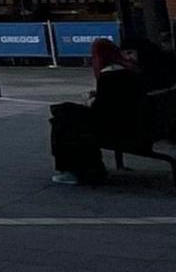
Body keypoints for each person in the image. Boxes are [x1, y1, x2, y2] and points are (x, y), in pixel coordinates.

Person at [49, 37, 144, 185]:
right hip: (132, 120)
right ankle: (88, 166)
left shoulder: (110, 74)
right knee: (65, 113)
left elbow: (101, 109)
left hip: (117, 127)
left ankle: (73, 169)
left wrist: (90, 100)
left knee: (63, 119)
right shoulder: (129, 70)